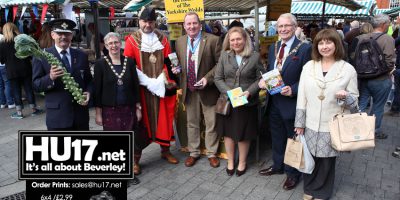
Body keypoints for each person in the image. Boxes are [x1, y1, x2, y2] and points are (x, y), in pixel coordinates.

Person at [294, 28, 359, 200]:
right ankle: (308, 189)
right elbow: (302, 96)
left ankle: (322, 192)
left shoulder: (348, 69)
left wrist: (346, 97)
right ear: (316, 46)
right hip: (310, 122)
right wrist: (299, 123)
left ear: (336, 44)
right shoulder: (309, 66)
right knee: (309, 157)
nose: (324, 46)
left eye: (328, 42)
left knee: (326, 162)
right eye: (320, 43)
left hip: (332, 124)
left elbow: (355, 104)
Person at [258, 13, 312, 190]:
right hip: (273, 101)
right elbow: (272, 70)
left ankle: (293, 173)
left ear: (295, 27)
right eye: (280, 26)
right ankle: (278, 165)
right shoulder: (274, 46)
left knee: (292, 139)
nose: (283, 29)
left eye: (287, 26)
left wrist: (294, 89)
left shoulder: (305, 48)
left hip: (292, 103)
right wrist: (264, 81)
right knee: (277, 137)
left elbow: (309, 78)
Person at [124, 6, 179, 175]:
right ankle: (135, 159)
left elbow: (169, 63)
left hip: (160, 87)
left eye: (150, 21)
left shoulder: (163, 39)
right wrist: (148, 82)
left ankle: (165, 151)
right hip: (142, 89)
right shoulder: (131, 41)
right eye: (144, 21)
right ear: (139, 21)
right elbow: (129, 67)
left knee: (164, 118)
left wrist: (161, 80)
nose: (147, 24)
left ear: (155, 22)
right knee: (140, 124)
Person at [173, 12, 222, 168]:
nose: (192, 26)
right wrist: (177, 69)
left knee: (211, 123)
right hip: (189, 89)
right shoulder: (179, 42)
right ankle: (193, 152)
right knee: (191, 123)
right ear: (184, 26)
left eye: (194, 23)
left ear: (200, 25)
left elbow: (220, 64)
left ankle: (211, 153)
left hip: (208, 90)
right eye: (188, 24)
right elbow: (181, 65)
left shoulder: (213, 40)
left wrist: (208, 78)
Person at [93, 32, 142, 185]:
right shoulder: (100, 64)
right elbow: (97, 90)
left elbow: (135, 87)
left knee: (128, 142)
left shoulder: (130, 61)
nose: (113, 46)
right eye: (110, 44)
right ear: (106, 46)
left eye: (116, 42)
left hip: (128, 109)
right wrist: (98, 113)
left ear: (120, 44)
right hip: (110, 111)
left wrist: (138, 107)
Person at [214, 27, 262, 176]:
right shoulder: (224, 55)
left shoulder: (255, 56)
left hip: (246, 102)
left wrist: (250, 92)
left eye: (238, 39)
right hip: (228, 102)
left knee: (243, 134)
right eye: (232, 39)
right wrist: (229, 93)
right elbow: (217, 78)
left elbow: (260, 78)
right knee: (228, 134)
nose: (235, 42)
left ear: (245, 39)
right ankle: (230, 161)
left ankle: (242, 162)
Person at [32, 19, 92, 130]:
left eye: (67, 33)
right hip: (58, 118)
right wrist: (50, 77)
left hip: (80, 117)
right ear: (52, 35)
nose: (63, 37)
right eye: (60, 33)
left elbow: (89, 81)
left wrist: (89, 92)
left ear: (72, 35)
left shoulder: (81, 55)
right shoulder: (42, 56)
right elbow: (36, 85)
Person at [353, 14, 396, 139]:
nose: (389, 25)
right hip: (380, 79)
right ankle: (373, 131)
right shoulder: (388, 39)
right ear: (383, 25)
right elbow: (390, 60)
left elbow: (354, 57)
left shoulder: (360, 37)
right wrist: (387, 71)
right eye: (388, 23)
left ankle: (354, 128)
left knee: (361, 104)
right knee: (378, 106)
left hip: (363, 78)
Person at [0, 22, 41, 119]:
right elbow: (31, 54)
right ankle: (34, 110)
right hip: (25, 68)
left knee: (16, 91)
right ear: (15, 28)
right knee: (28, 89)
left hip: (11, 70)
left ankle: (19, 113)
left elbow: (1, 60)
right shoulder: (23, 40)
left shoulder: (2, 44)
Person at [0, 25, 15, 109]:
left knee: (0, 85)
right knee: (7, 83)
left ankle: (2, 103)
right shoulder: (2, 38)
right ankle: (10, 102)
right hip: (4, 65)